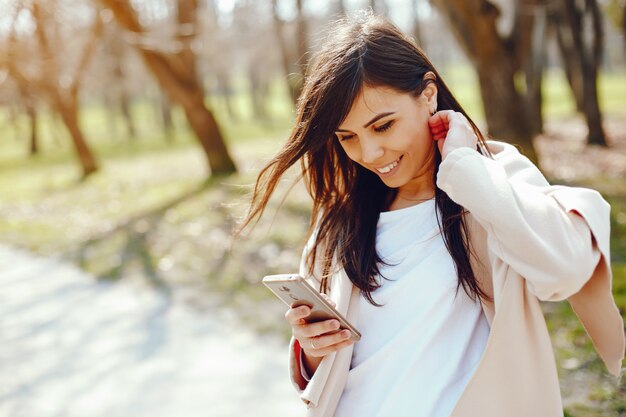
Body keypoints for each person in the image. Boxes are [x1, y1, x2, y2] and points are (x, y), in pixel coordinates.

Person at [240, 12, 624, 417]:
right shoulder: (339, 221)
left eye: (383, 126)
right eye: (348, 138)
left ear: (427, 94)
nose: (369, 154)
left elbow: (565, 269)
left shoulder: (493, 181)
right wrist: (314, 350)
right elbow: (334, 373)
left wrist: (462, 167)